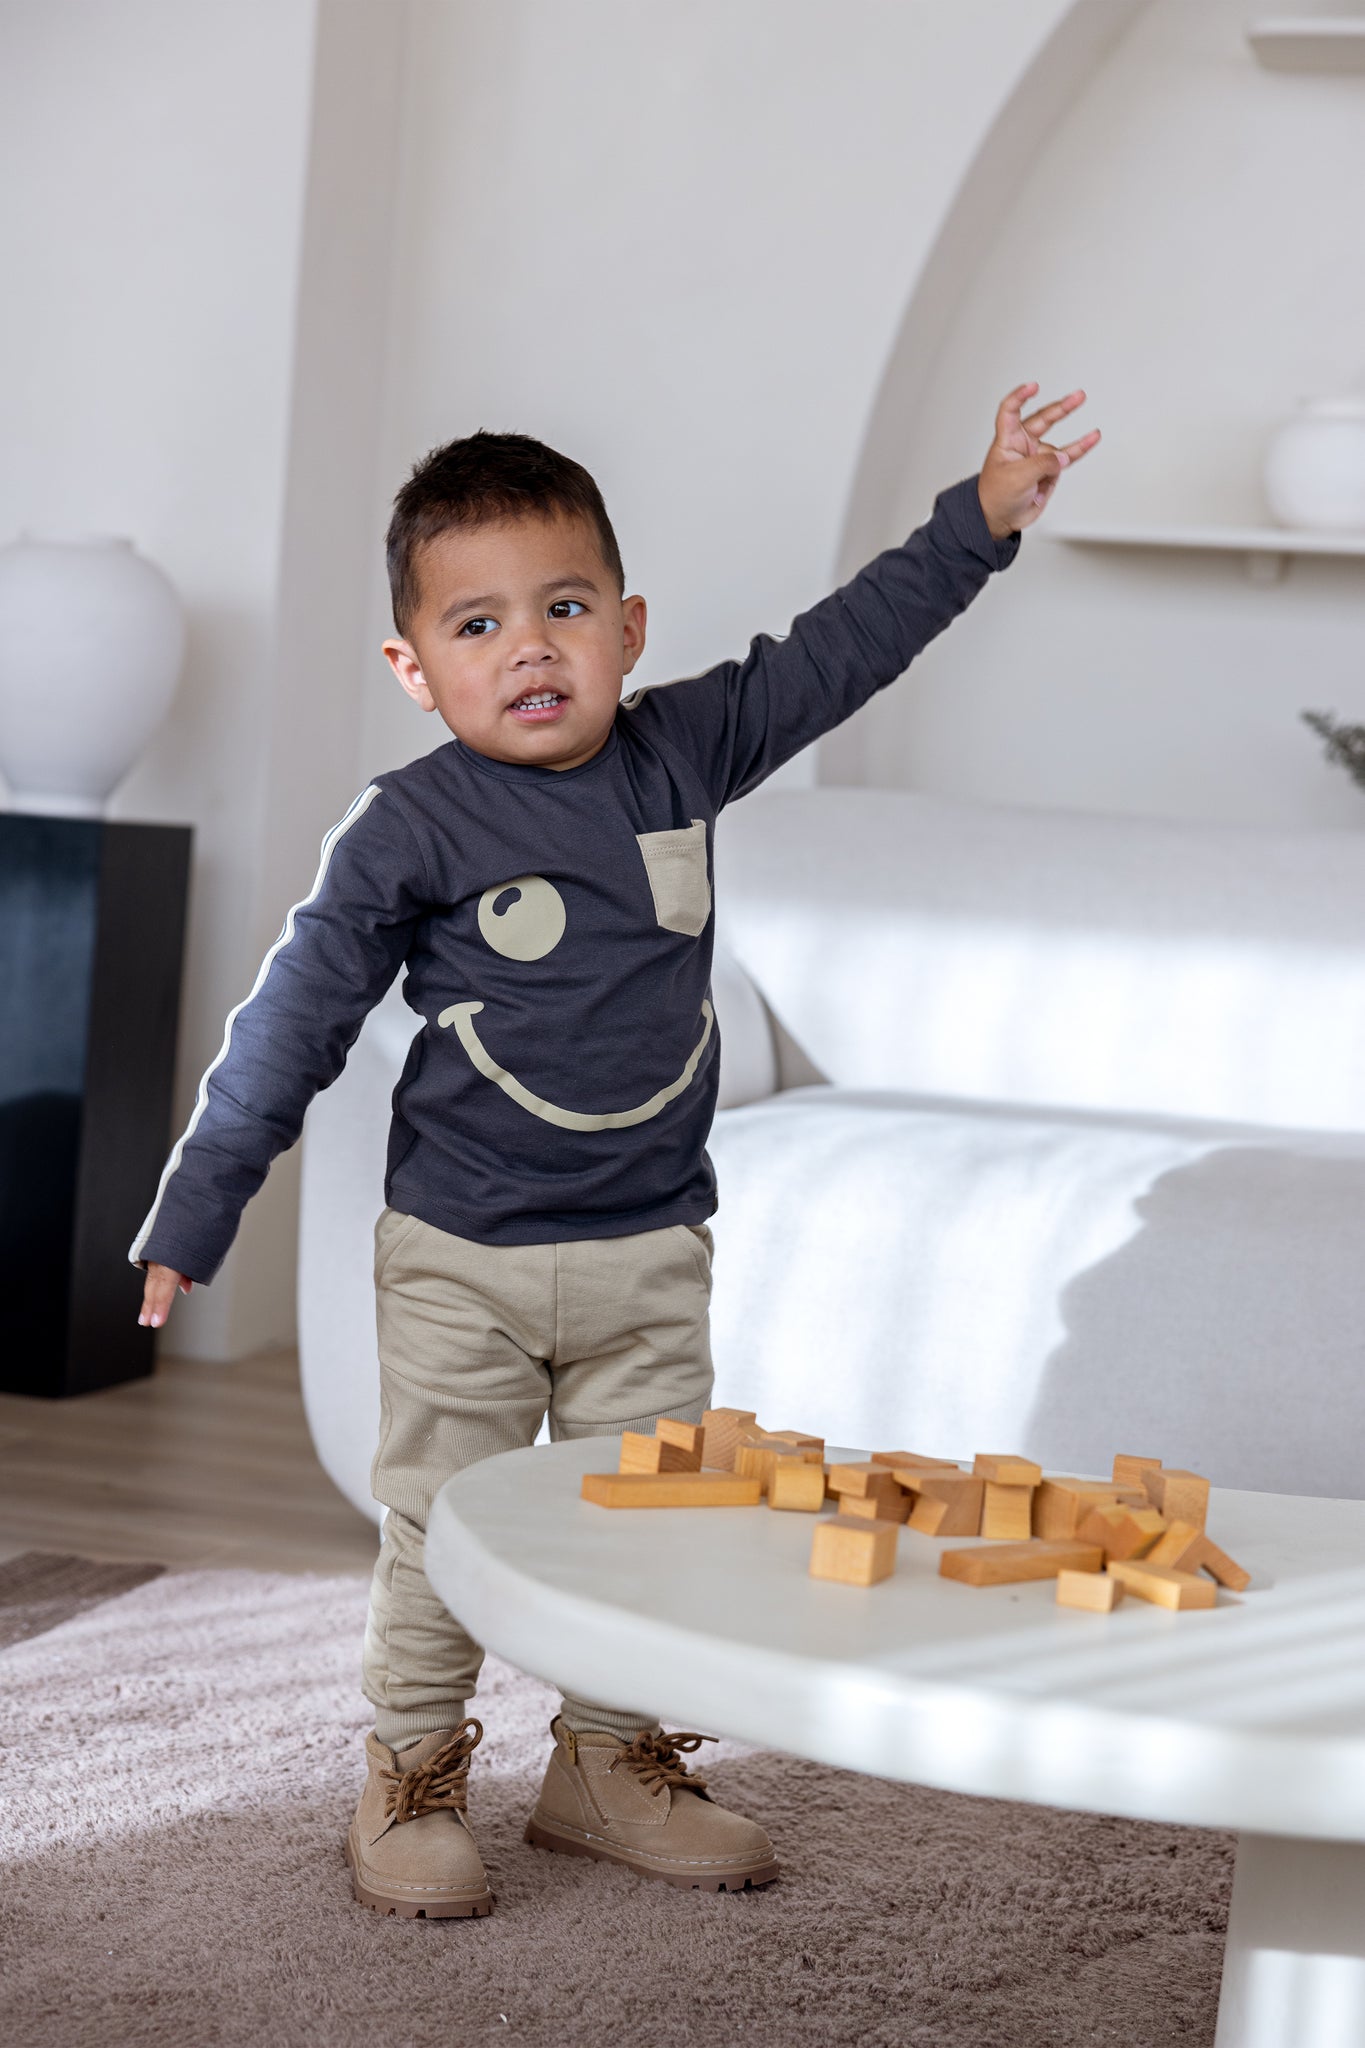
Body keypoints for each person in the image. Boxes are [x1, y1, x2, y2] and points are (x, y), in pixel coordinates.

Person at [132, 383, 1099, 1918]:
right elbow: (291, 1023)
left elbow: (840, 650)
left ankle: (603, 1762)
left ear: (627, 630)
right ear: (412, 667)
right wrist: (198, 1205)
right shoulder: (405, 828)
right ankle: (409, 1768)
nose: (529, 646)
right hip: (460, 1259)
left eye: (564, 608)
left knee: (645, 1527)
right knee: (440, 1527)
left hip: (649, 1252)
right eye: (478, 624)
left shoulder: (680, 754)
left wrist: (974, 521)